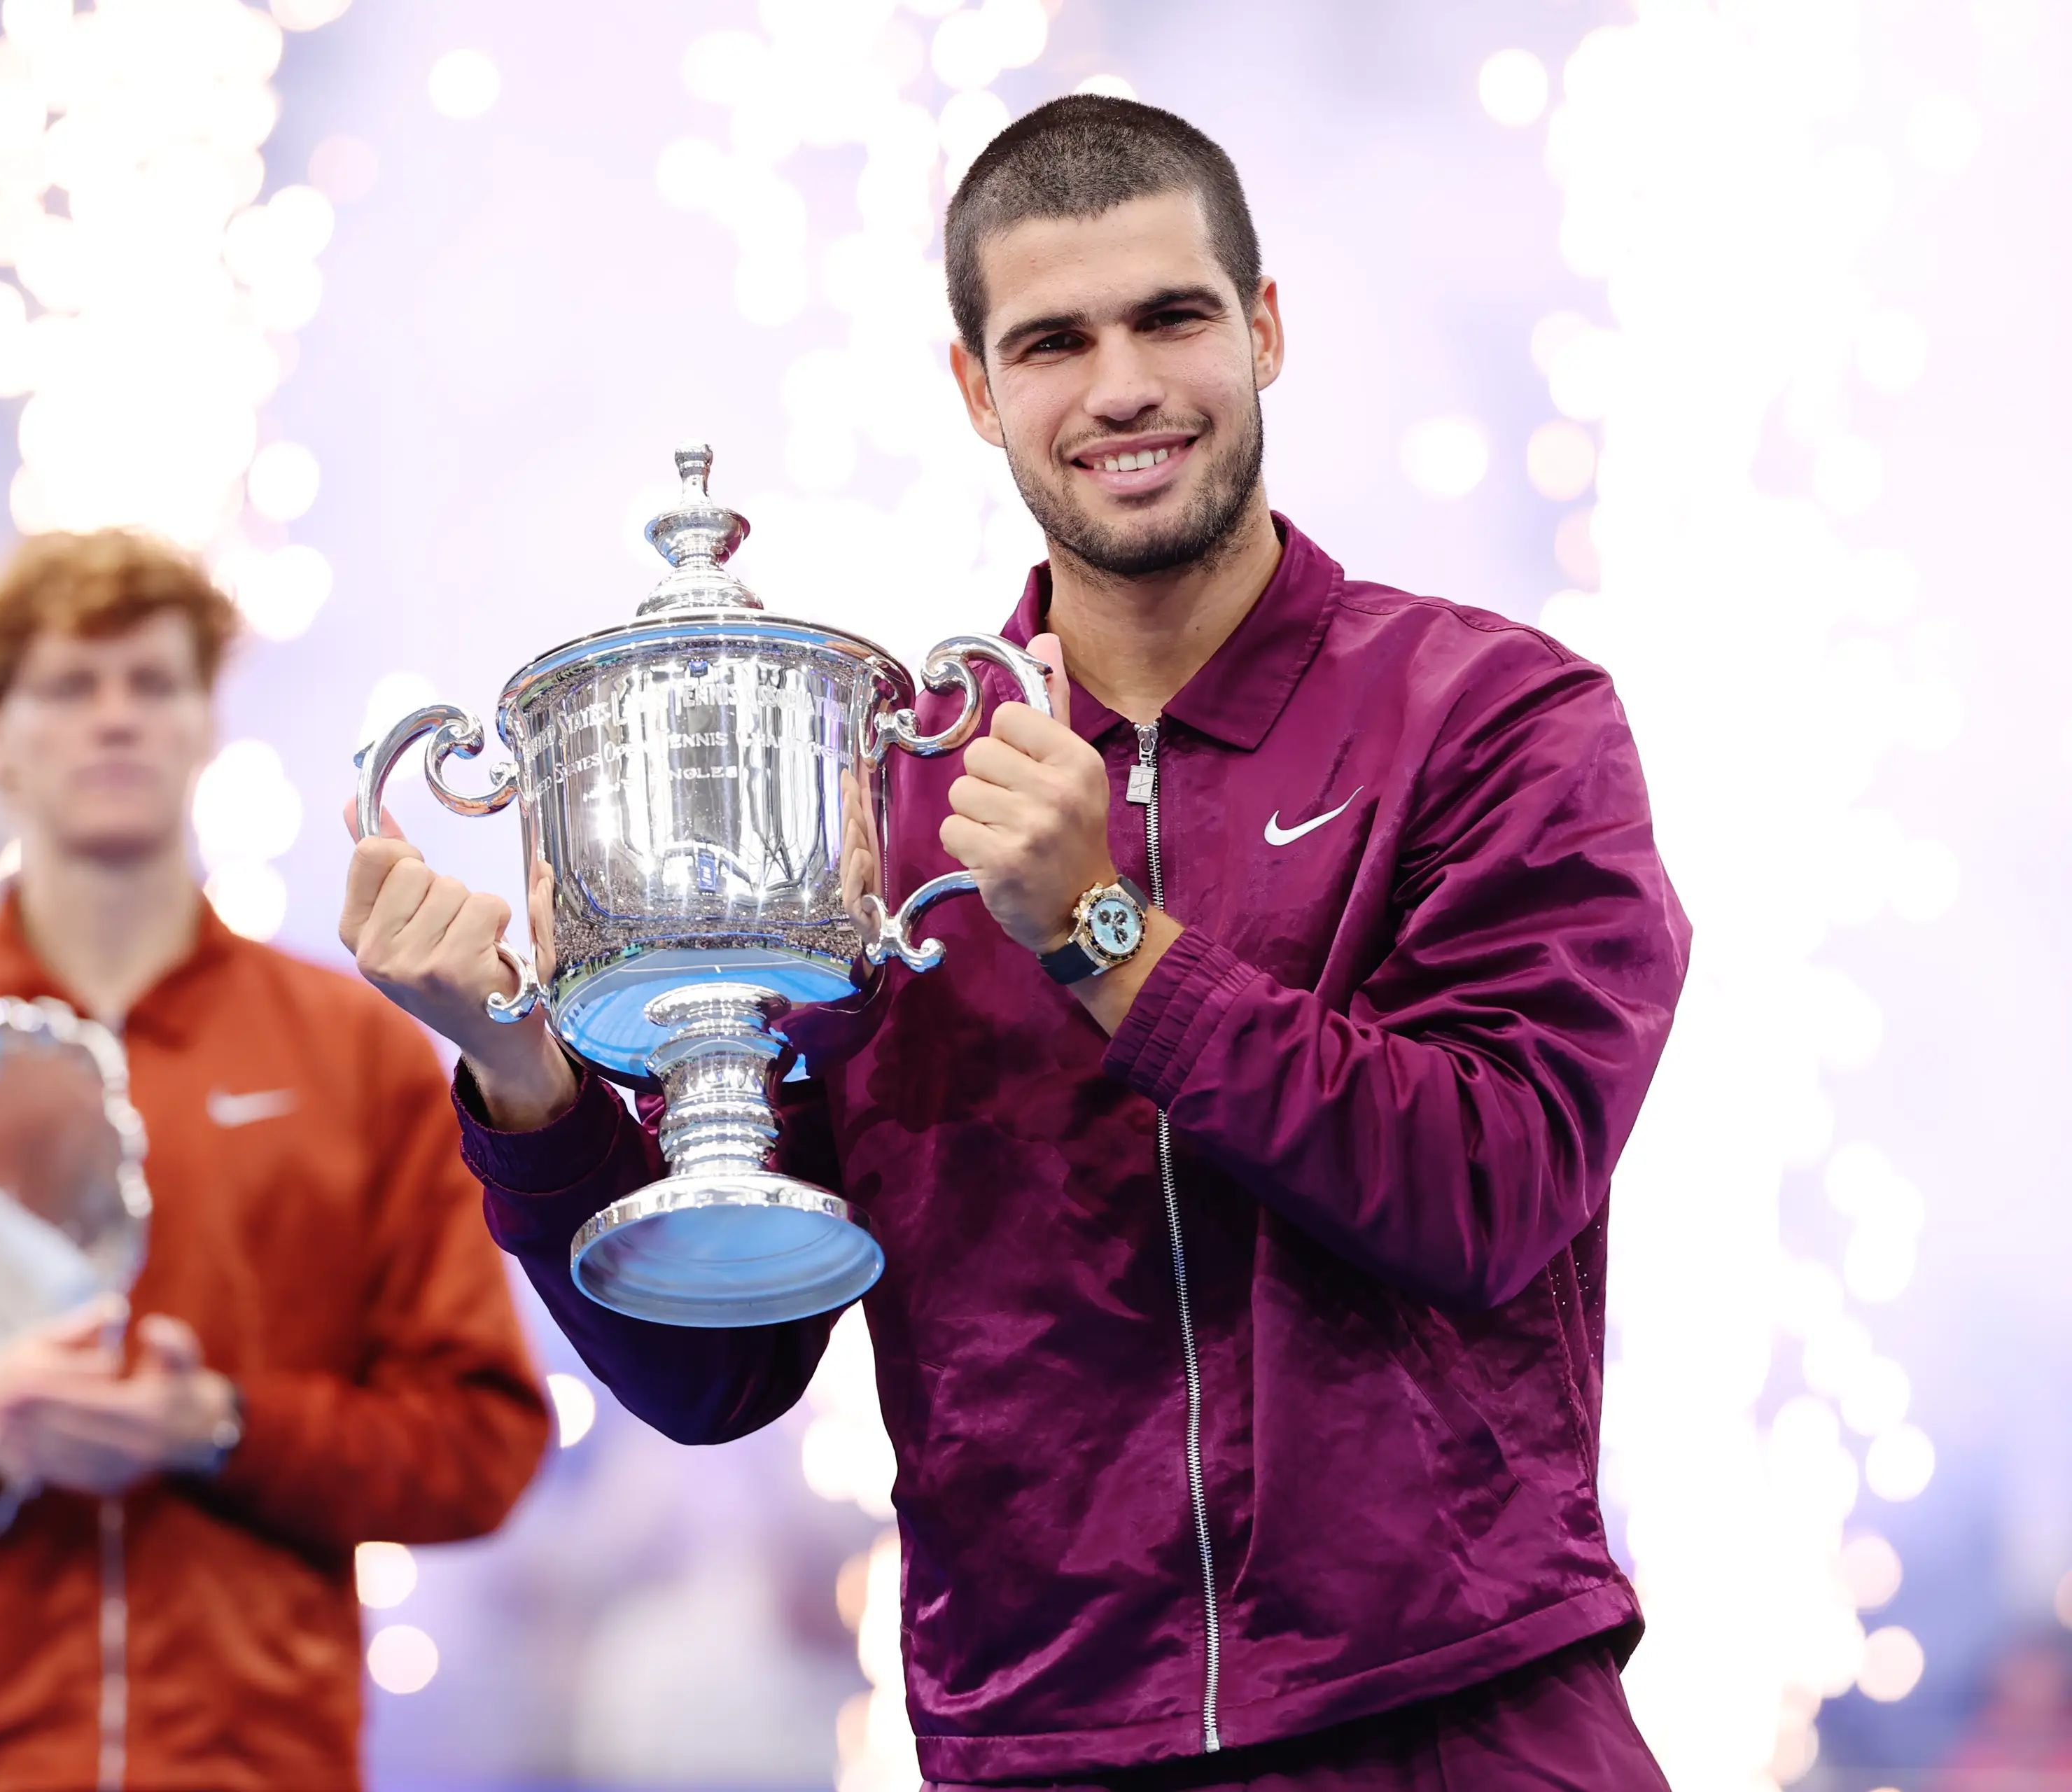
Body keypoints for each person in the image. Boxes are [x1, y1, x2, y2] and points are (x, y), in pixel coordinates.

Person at [340, 96, 1689, 1789]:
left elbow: (1491, 1188)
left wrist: (1108, 935)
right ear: (979, 390)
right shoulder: (877, 803)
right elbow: (721, 1369)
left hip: (1454, 1718)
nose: (1120, 385)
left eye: (1171, 317)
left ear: (1264, 330)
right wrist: (523, 1075)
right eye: (1053, 340)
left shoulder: (1493, 719)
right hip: (1045, 1740)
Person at [0, 530, 550, 1792]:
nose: (115, 720)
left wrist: (222, 1427)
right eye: (67, 687)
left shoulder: (356, 1054)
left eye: (153, 683)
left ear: (207, 723)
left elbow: (480, 1446)